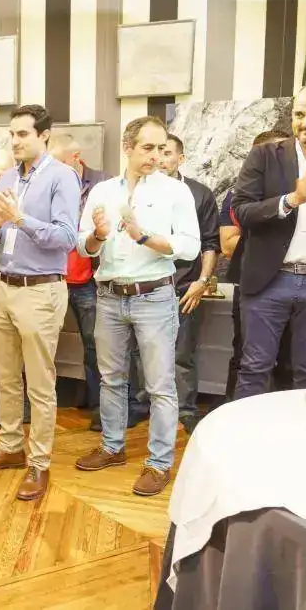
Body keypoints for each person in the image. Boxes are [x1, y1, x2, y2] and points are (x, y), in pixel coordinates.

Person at [74, 116, 199, 497]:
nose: (156, 156)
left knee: (160, 385)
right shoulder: (102, 191)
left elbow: (190, 246)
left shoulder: (176, 191)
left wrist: (144, 237)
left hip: (155, 296)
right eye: (148, 148)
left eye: (161, 148)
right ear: (127, 147)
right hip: (109, 296)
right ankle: (112, 447)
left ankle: (159, 463)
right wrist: (97, 236)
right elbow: (83, 247)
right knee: (111, 378)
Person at [0, 105, 80, 502]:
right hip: (3, 285)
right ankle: (11, 446)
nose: (14, 141)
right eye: (11, 134)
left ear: (44, 135)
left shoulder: (62, 177)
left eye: (23, 134)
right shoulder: (8, 177)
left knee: (40, 383)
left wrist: (18, 218)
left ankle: (40, 463)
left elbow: (66, 238)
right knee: (5, 377)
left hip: (41, 289)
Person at [231, 83, 306, 398]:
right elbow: (242, 210)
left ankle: (302, 432)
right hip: (268, 281)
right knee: (254, 368)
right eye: (299, 114)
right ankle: (246, 431)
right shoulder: (264, 156)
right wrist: (291, 200)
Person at [149, 134, 219, 434]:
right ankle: (142, 407)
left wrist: (201, 282)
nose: (160, 158)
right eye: (156, 151)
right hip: (146, 285)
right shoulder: (141, 190)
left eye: (167, 152)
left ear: (181, 158)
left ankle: (186, 410)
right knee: (141, 352)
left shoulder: (199, 194)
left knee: (182, 353)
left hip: (184, 287)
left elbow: (211, 243)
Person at [220, 130, 292, 402]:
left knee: (290, 360)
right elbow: (228, 245)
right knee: (245, 358)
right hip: (252, 284)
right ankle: (233, 416)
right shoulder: (237, 195)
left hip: (300, 283)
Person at [48, 133, 109, 429]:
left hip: (88, 280)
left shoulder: (103, 185)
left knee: (95, 346)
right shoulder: (48, 183)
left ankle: (101, 408)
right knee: (42, 343)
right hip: (54, 276)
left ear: (76, 157)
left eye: (58, 162)